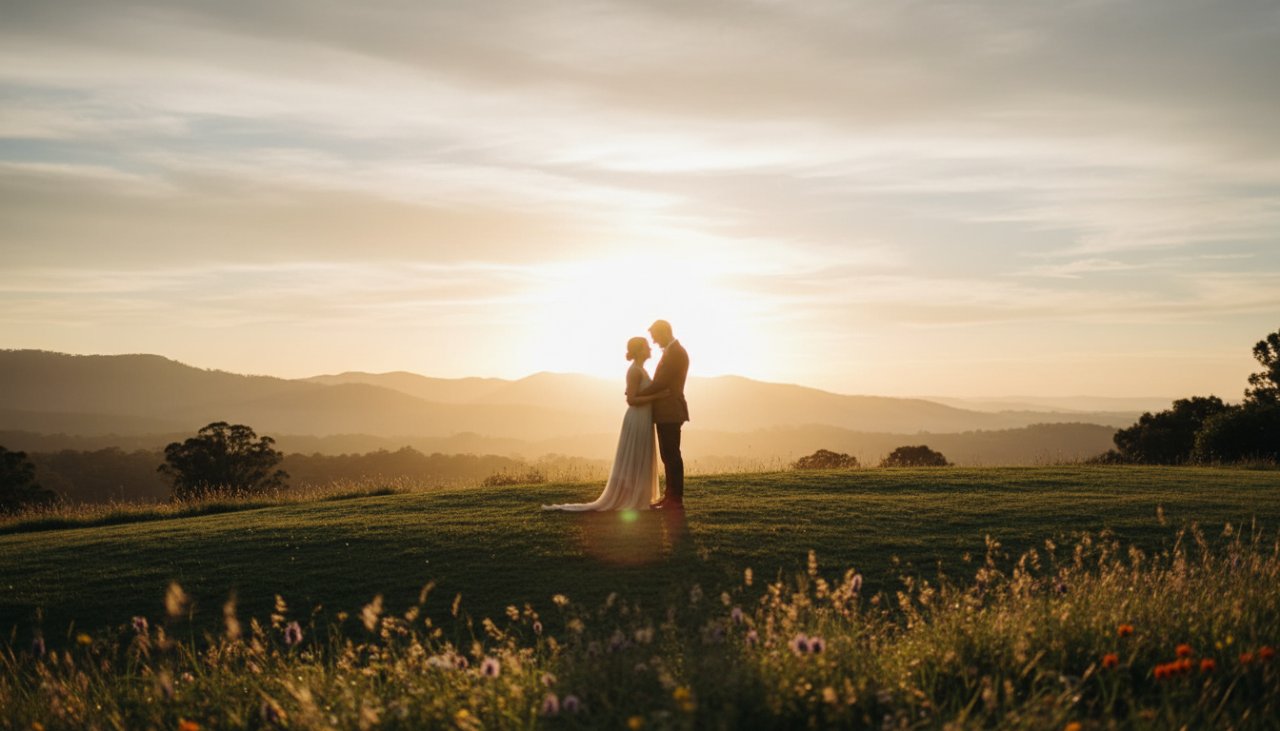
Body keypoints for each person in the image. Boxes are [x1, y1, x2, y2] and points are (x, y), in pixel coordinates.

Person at [542, 337, 669, 511]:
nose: (650, 349)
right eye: (647, 347)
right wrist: (657, 397)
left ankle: (640, 497)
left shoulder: (641, 370)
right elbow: (631, 400)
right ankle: (633, 499)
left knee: (641, 457)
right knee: (635, 457)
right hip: (637, 417)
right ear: (639, 350)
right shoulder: (634, 371)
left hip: (644, 418)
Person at [636, 319, 689, 509]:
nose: (655, 342)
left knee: (671, 454)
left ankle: (675, 499)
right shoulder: (671, 352)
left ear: (664, 332)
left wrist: (637, 393)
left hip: (671, 410)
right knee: (667, 454)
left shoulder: (676, 353)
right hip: (666, 411)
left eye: (656, 337)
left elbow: (661, 382)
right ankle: (670, 497)